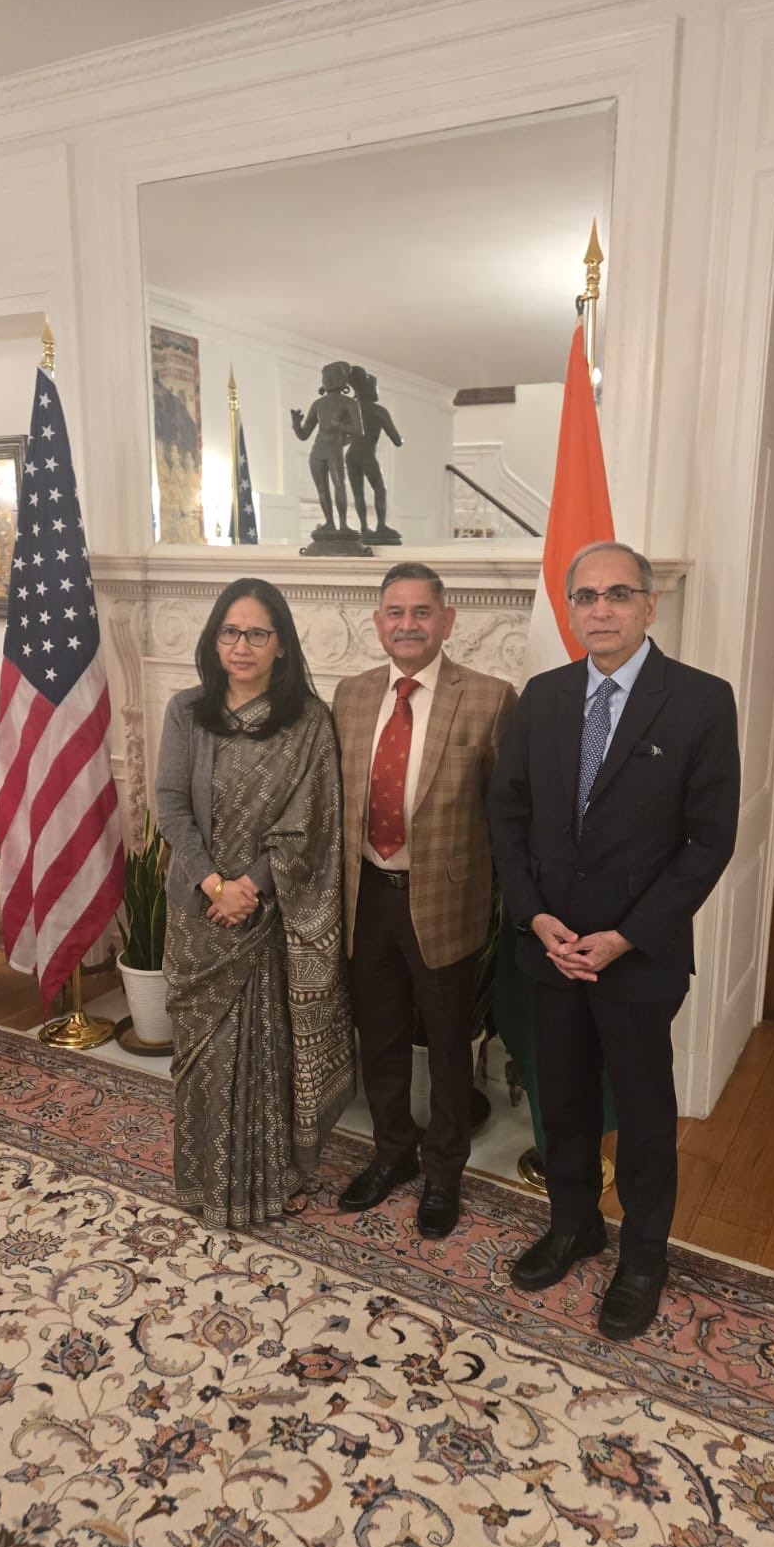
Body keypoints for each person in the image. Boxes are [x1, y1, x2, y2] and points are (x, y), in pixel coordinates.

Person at [488, 542, 740, 1340]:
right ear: (570, 608)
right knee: (562, 1098)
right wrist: (534, 916)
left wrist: (628, 935)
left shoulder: (701, 700)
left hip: (637, 957)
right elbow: (508, 815)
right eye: (586, 596)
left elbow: (709, 841)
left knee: (642, 1110)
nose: (600, 610)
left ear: (649, 605)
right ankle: (573, 1224)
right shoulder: (545, 695)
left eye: (618, 595)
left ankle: (643, 1255)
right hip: (552, 949)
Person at [155, 577, 355, 1228]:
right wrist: (215, 884)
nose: (241, 646)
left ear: (282, 645)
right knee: (204, 1057)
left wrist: (253, 887)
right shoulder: (186, 711)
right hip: (199, 914)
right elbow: (171, 806)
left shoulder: (308, 722)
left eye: (257, 634)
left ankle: (275, 1179)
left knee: (270, 1053)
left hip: (269, 914)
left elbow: (313, 821)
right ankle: (205, 1180)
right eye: (230, 632)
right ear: (215, 640)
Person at [333, 562, 516, 1239]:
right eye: (395, 612)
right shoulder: (351, 695)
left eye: (420, 612)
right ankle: (392, 1152)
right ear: (377, 622)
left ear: (447, 620)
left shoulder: (491, 698)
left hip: (444, 903)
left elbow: (507, 812)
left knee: (445, 1044)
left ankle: (443, 1171)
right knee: (379, 1034)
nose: (407, 625)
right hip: (366, 895)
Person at [290, 361, 363, 539]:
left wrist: (340, 427)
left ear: (342, 380)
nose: (328, 380)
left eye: (333, 377)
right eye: (325, 377)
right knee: (322, 490)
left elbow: (358, 431)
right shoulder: (318, 404)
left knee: (339, 485)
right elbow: (304, 435)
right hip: (318, 451)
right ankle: (329, 522)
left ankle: (343, 524)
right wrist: (296, 424)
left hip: (334, 450)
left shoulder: (349, 403)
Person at [346, 365, 403, 544]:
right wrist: (402, 439)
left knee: (358, 493)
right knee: (380, 489)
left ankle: (364, 527)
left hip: (351, 454)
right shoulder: (378, 410)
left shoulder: (351, 409)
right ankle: (381, 526)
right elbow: (396, 440)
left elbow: (345, 437)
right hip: (367, 454)